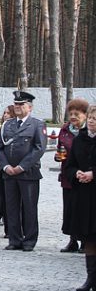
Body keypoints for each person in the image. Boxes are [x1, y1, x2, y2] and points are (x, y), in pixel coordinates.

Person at [0, 90, 47, 252]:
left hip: (28, 174)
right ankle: (14, 239)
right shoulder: (7, 125)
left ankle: (29, 240)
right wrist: (6, 166)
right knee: (11, 207)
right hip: (9, 173)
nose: (17, 107)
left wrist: (21, 167)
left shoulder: (37, 124)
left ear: (29, 107)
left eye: (21, 104)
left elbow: (39, 148)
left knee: (29, 208)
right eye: (16, 104)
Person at [63, 105, 96, 291]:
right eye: (90, 117)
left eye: (95, 119)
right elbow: (69, 165)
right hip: (84, 195)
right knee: (89, 238)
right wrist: (77, 174)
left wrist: (93, 174)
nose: (91, 121)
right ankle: (91, 278)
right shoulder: (80, 139)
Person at [56, 98, 89, 253]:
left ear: (85, 115)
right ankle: (72, 240)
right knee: (69, 209)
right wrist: (58, 156)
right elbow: (60, 148)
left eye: (77, 113)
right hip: (68, 175)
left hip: (83, 177)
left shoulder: (87, 132)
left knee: (82, 209)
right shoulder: (65, 130)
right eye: (71, 113)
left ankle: (85, 241)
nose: (73, 116)